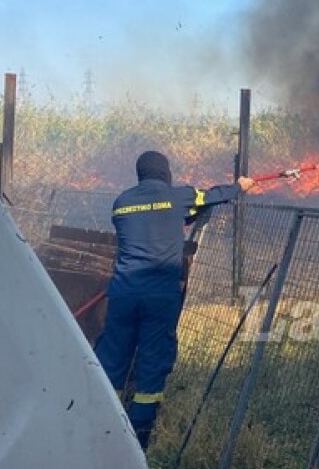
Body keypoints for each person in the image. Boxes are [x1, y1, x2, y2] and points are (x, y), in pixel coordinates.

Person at [94, 150, 255, 450]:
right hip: (159, 297)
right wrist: (240, 186)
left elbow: (148, 222)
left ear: (140, 173)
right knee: (152, 362)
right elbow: (211, 196)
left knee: (113, 358)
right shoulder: (178, 197)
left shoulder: (121, 202)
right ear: (164, 172)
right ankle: (138, 439)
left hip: (123, 294)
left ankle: (103, 430)